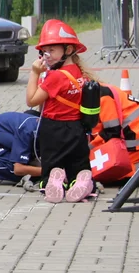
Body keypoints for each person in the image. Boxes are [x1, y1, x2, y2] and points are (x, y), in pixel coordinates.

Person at [26, 20, 95, 203]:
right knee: (77, 164)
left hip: (52, 129)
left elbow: (31, 100)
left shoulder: (55, 77)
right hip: (77, 128)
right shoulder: (80, 74)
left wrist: (34, 73)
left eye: (52, 50)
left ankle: (53, 181)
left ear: (69, 50)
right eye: (44, 51)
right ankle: (81, 181)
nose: (47, 56)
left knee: (52, 163)